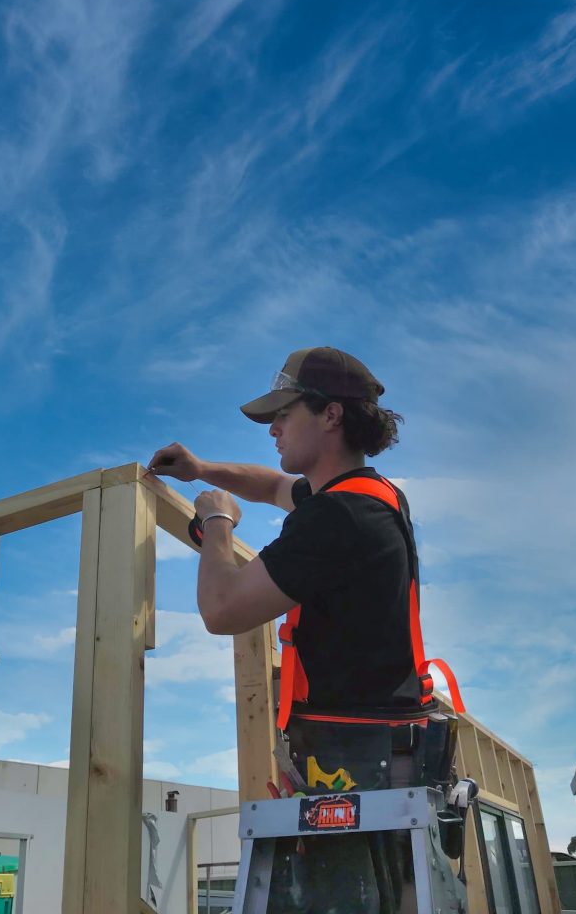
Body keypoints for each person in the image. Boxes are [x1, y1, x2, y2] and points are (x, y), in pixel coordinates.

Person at [149, 346, 463, 913]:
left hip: (357, 760)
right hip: (375, 750)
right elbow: (273, 487)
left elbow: (221, 610)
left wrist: (217, 523)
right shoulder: (371, 496)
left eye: (284, 414)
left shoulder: (338, 518)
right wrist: (203, 472)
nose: (273, 428)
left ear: (331, 415)